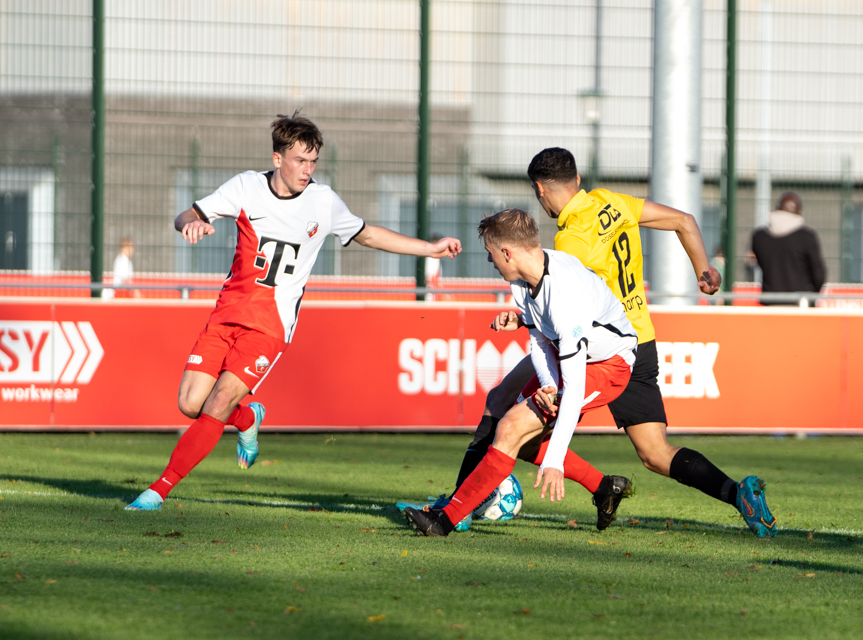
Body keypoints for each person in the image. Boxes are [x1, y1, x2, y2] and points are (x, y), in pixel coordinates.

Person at [402, 147, 777, 538]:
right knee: (653, 453)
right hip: (639, 337)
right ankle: (734, 494)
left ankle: (458, 507)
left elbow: (560, 314)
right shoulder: (611, 202)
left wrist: (533, 335)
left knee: (509, 414)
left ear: (540, 190)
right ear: (577, 180)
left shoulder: (568, 244)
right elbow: (683, 220)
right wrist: (704, 267)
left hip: (590, 345)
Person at [125, 111, 462, 511]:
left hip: (270, 326)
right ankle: (248, 418)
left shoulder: (323, 202)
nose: (307, 169)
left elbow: (368, 234)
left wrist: (430, 247)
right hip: (226, 314)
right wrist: (188, 225)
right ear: (277, 159)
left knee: (217, 404)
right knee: (189, 403)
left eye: (313, 161)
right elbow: (189, 214)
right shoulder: (247, 188)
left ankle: (157, 491)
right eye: (300, 160)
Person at [404, 209, 638, 536]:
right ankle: (604, 488)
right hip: (566, 354)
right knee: (516, 432)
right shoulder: (522, 279)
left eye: (490, 253)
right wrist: (547, 384)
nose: (489, 261)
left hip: (607, 364)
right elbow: (541, 342)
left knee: (512, 428)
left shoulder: (566, 297)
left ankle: (445, 521)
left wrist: (555, 459)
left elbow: (572, 390)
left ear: (507, 252)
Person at [751, 191, 826, 306]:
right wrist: (812, 295)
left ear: (777, 208)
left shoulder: (759, 237)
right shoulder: (807, 237)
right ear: (799, 212)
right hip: (800, 303)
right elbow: (818, 274)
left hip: (770, 302)